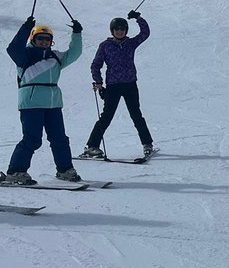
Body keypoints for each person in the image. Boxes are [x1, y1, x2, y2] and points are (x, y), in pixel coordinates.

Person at [4, 16, 83, 184]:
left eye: (47, 39)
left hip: (53, 103)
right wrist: (26, 28)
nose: (44, 42)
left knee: (59, 138)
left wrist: (77, 33)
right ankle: (16, 171)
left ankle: (65, 169)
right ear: (33, 39)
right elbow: (12, 49)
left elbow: (74, 53)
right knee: (32, 138)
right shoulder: (24, 56)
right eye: (40, 38)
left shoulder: (55, 57)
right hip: (31, 103)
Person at [81, 12, 154, 159]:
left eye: (122, 29)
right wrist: (99, 82)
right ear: (112, 31)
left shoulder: (131, 43)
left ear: (126, 31)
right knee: (106, 116)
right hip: (113, 86)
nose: (119, 31)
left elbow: (145, 33)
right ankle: (92, 146)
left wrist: (138, 18)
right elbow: (96, 65)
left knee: (136, 115)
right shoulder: (105, 46)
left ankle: (147, 143)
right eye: (116, 29)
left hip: (130, 85)